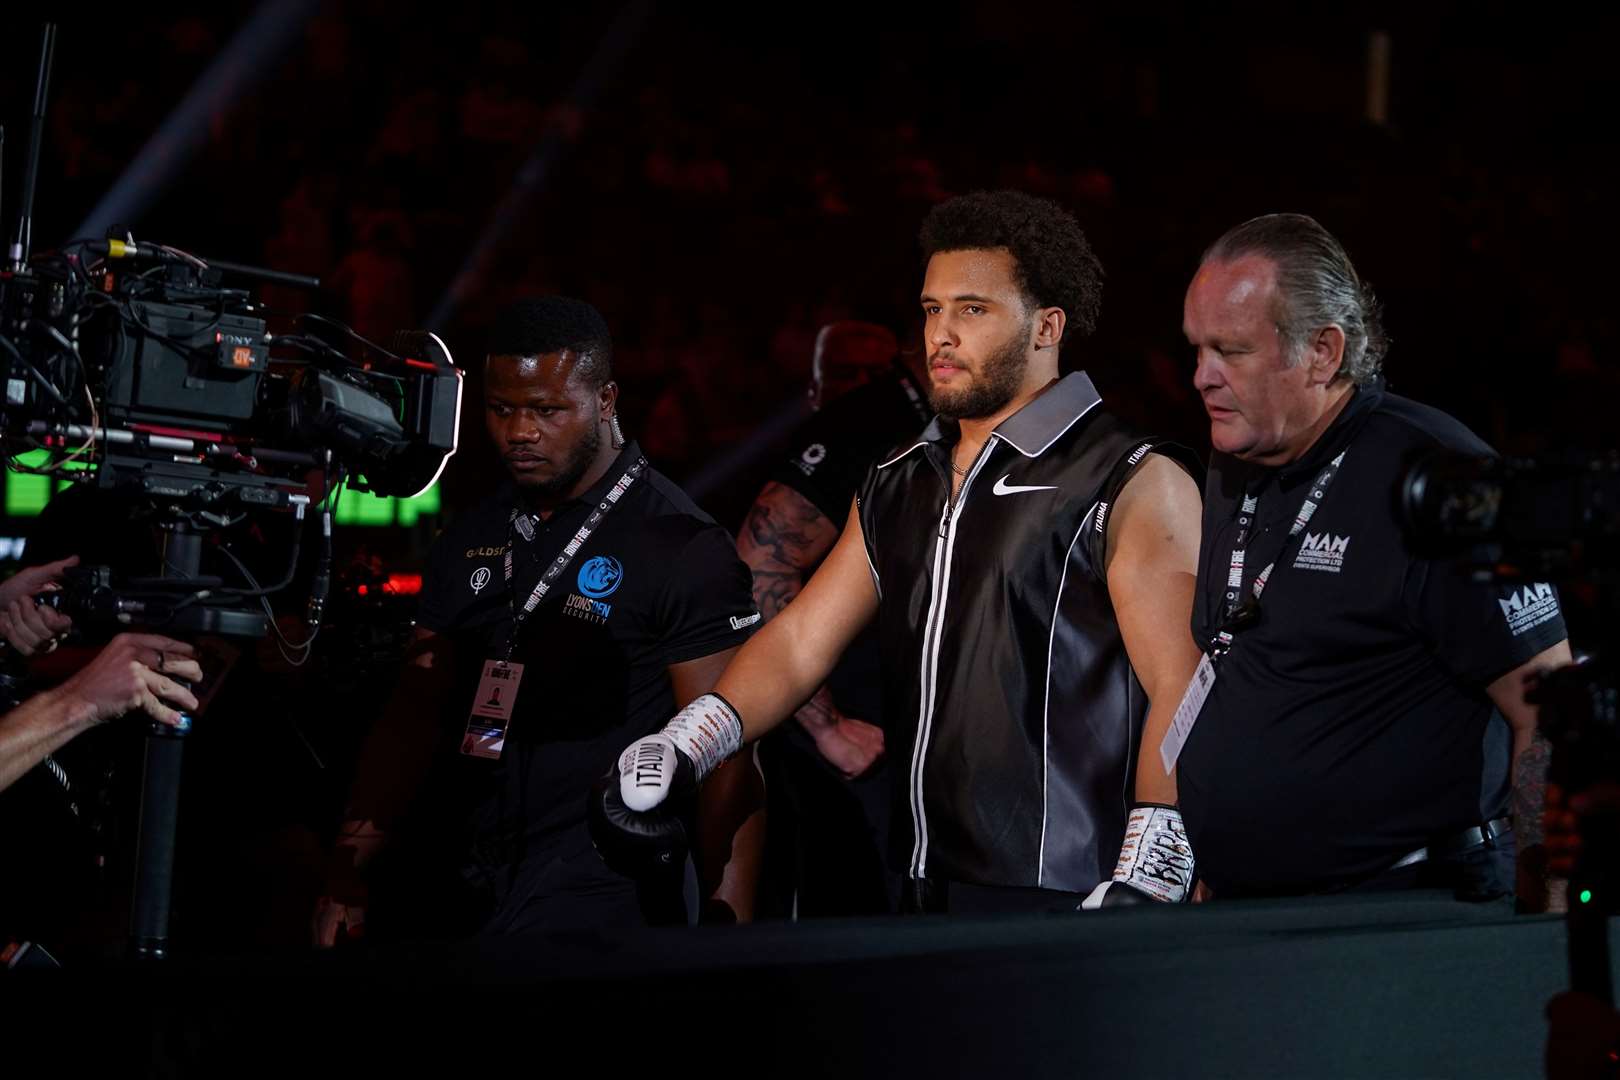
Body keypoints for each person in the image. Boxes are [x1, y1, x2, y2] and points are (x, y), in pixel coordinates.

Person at [594, 191, 1206, 914]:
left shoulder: (1130, 476)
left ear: (1048, 325)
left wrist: (1155, 856)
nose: (940, 335)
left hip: (1065, 891)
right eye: (931, 309)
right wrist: (688, 742)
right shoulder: (897, 478)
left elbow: (1182, 679)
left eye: (972, 310)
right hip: (919, 883)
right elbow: (797, 644)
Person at [313, 296, 762, 944]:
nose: (520, 431)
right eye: (502, 410)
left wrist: (731, 942)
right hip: (462, 882)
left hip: (603, 887)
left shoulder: (681, 545)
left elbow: (731, 758)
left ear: (605, 401)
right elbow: (412, 716)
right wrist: (347, 873)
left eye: (548, 411)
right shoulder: (471, 532)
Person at [1174, 212, 1571, 907]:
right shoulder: (1236, 458)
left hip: (1401, 914)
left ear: (1323, 351)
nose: (1201, 376)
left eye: (1229, 350)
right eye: (1196, 348)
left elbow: (1549, 707)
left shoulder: (1439, 478)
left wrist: (1548, 916)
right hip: (1248, 915)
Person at [739, 320, 926, 916]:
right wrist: (826, 725)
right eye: (843, 374)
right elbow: (758, 564)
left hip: (927, 735)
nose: (861, 384)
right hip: (862, 739)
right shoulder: (865, 422)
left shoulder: (950, 422)